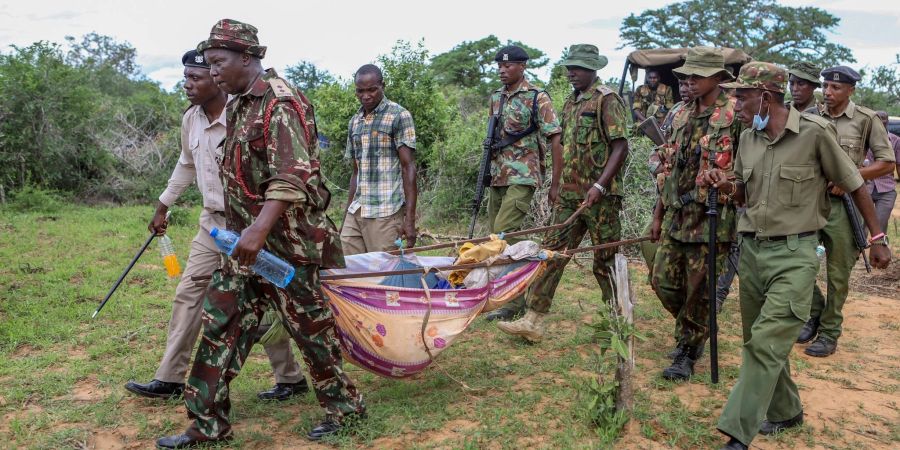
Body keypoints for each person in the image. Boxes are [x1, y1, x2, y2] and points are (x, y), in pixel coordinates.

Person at [156, 20, 364, 449]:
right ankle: (206, 424)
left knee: (312, 332)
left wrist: (257, 230)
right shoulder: (237, 106)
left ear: (246, 59)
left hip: (289, 247)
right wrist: (240, 235)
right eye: (209, 64)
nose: (213, 73)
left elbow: (292, 176)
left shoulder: (280, 103)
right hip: (245, 247)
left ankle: (344, 408)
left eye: (218, 63)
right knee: (220, 323)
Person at [704, 61, 891, 450]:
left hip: (795, 253)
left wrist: (877, 236)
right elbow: (742, 193)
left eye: (742, 95)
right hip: (752, 252)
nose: (734, 102)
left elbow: (854, 184)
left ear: (765, 97)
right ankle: (787, 411)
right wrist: (724, 183)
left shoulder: (815, 133)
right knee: (762, 339)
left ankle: (738, 433)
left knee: (764, 343)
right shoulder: (747, 139)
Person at [125, 49, 307, 403]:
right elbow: (185, 163)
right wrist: (163, 205)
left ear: (216, 77)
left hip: (253, 226)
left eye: (196, 78)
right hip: (211, 226)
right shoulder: (190, 119)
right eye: (186, 79)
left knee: (266, 300)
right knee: (189, 294)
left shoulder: (245, 113)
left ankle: (290, 378)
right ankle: (170, 378)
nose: (188, 86)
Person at [497, 44, 628, 342]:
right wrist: (555, 185)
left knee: (605, 260)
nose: (572, 72)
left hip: (601, 197)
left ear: (593, 69)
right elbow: (563, 147)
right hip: (570, 195)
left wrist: (600, 185)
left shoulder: (607, 100)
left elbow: (620, 146)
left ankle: (616, 323)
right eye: (570, 67)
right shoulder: (570, 102)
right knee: (552, 255)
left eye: (579, 68)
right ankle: (533, 320)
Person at [648, 47, 742, 381]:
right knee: (662, 281)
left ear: (718, 78)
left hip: (711, 219)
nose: (688, 80)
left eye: (696, 75)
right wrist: (658, 215)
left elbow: (746, 170)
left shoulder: (734, 115)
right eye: (686, 75)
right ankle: (695, 329)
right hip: (676, 214)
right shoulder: (679, 114)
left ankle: (687, 351)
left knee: (700, 290)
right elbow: (669, 168)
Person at [798, 66, 896, 357]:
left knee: (838, 275)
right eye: (825, 86)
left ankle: (829, 332)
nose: (828, 92)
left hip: (845, 205)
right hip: (809, 201)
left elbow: (886, 163)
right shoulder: (810, 116)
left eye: (835, 88)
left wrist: (852, 175)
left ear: (850, 90)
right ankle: (814, 312)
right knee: (797, 261)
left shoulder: (865, 120)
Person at [482, 45, 563, 322]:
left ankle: (532, 261)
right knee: (497, 236)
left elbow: (555, 137)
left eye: (509, 66)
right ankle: (512, 299)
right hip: (498, 175)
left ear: (522, 66)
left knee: (503, 232)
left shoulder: (536, 97)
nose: (503, 70)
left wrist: (555, 182)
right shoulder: (496, 97)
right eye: (499, 66)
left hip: (523, 175)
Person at [341, 64, 418, 254]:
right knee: (347, 268)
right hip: (357, 209)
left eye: (372, 90)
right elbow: (356, 171)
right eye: (360, 91)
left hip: (386, 211)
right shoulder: (354, 121)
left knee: (383, 273)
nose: (366, 96)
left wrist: (409, 220)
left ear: (382, 85)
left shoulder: (399, 115)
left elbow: (408, 168)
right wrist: (345, 216)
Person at [864, 111, 899, 235]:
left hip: (886, 189)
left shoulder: (895, 140)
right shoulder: (863, 138)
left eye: (884, 120)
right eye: (879, 120)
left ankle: (878, 250)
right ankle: (857, 252)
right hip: (863, 188)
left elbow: (898, 165)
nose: (882, 123)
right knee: (859, 227)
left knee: (879, 227)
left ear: (888, 122)